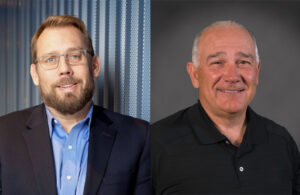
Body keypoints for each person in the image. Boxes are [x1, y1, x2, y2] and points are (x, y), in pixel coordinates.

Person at [0, 15, 150, 195]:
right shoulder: (3, 135)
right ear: (35, 74)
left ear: (94, 65)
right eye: (50, 59)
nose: (64, 68)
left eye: (75, 56)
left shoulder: (139, 136)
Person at [151, 21, 300, 194]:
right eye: (217, 62)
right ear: (194, 74)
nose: (232, 76)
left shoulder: (281, 142)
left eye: (244, 62)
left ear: (257, 72)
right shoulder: (155, 144)